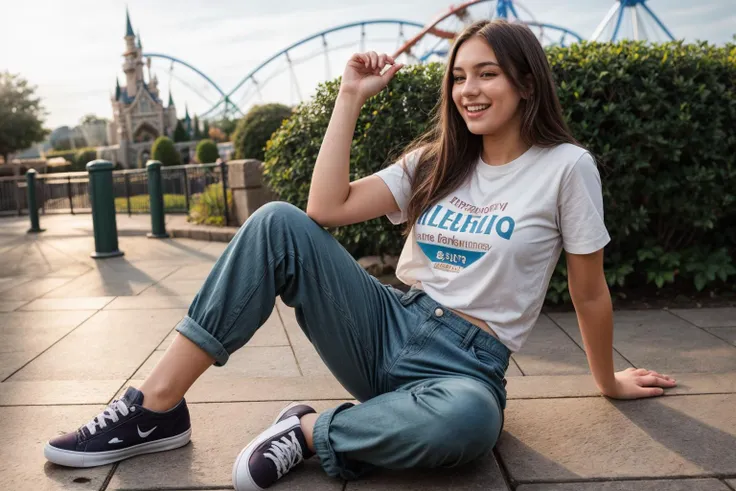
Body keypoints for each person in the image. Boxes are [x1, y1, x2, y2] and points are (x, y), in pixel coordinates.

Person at [43, 19, 677, 490]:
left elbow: (589, 290)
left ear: (526, 80)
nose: (468, 90)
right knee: (276, 223)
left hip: (464, 367)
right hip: (384, 324)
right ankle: (154, 411)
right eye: (459, 76)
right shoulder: (438, 160)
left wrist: (608, 382)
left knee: (470, 427)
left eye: (487, 73)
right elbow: (324, 209)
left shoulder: (567, 168)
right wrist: (349, 96)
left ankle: (310, 432)